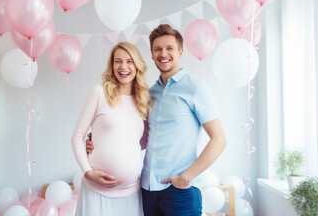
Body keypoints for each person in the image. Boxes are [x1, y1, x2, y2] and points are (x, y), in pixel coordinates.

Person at [87, 24, 227, 216]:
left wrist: (186, 178)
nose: (163, 54)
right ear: (152, 55)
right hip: (147, 190)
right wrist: (98, 144)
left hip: (180, 191)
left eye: (169, 48)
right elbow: (139, 139)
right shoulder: (148, 94)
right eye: (157, 49)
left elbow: (219, 140)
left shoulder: (196, 89)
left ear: (180, 52)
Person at [71, 42, 151, 216]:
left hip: (131, 193)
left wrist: (101, 143)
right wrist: (88, 172)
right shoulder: (99, 93)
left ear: (137, 65)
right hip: (96, 191)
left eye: (129, 61)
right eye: (118, 61)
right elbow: (77, 136)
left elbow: (139, 142)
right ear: (112, 65)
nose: (123, 66)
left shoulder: (143, 101)